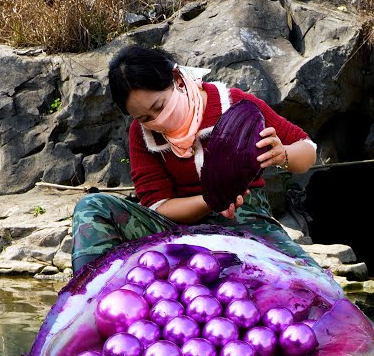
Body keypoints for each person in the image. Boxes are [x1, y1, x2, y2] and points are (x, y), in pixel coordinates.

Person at [71, 46, 319, 273]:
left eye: (159, 106)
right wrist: (211, 200)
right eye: (144, 117)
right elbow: (158, 205)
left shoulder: (234, 106)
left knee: (307, 277)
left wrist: (282, 154)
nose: (157, 120)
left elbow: (307, 151)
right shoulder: (141, 134)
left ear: (177, 80)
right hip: (173, 229)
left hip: (244, 221)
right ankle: (87, 291)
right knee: (92, 207)